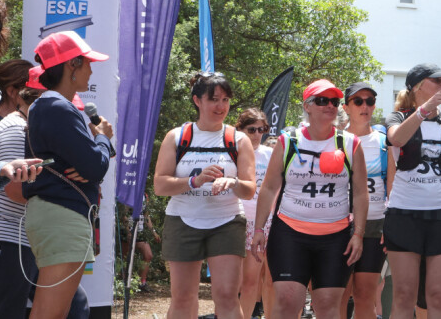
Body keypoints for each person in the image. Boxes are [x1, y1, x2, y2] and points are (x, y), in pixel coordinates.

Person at [251, 79, 368, 319]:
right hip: (290, 233)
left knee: (327, 306)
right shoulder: (288, 141)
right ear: (307, 106)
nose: (330, 106)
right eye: (322, 100)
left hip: (336, 237)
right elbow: (270, 187)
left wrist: (358, 234)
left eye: (334, 102)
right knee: (286, 302)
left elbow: (360, 192)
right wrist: (259, 229)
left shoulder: (350, 143)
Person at [24, 31, 113, 319]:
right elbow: (95, 166)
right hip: (62, 216)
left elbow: (89, 167)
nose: (90, 69)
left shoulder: (50, 106)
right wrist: (104, 139)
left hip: (61, 215)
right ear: (71, 65)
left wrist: (92, 160)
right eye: (87, 62)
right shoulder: (56, 107)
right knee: (49, 314)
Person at [154, 71, 256, 319]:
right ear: (197, 101)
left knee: (227, 296)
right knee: (183, 298)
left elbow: (250, 189)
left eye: (225, 99)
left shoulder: (239, 139)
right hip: (183, 220)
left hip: (227, 221)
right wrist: (194, 181)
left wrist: (232, 182)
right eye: (214, 99)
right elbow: (160, 186)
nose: (221, 106)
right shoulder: (177, 136)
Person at [383, 63, 441, 319]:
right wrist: (425, 109)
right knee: (403, 295)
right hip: (404, 215)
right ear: (418, 86)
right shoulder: (397, 117)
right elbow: (397, 139)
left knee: (438, 295)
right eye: (438, 80)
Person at [0, 65, 44, 319]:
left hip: (22, 240)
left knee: (73, 305)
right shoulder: (17, 128)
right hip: (11, 238)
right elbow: (14, 189)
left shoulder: (23, 126)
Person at [339, 82, 387, 319]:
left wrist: (391, 224)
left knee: (365, 294)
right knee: (338, 293)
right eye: (358, 101)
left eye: (369, 101)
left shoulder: (383, 142)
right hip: (338, 223)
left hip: (374, 224)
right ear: (346, 107)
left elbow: (393, 186)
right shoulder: (336, 140)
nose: (365, 106)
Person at [235, 108, 274, 319]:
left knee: (260, 281)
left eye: (262, 129)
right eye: (252, 130)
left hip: (264, 222)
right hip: (236, 220)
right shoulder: (232, 152)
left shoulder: (270, 154)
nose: (258, 134)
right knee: (237, 282)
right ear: (239, 129)